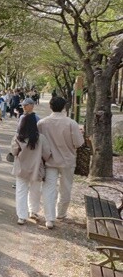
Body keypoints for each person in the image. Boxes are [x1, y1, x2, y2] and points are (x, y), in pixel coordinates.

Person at [37, 97, 84, 229]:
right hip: (67, 161)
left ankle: (49, 218)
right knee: (66, 188)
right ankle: (61, 213)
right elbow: (78, 143)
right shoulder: (71, 123)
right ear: (64, 107)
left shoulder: (42, 123)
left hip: (49, 160)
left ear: (50, 107)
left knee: (48, 188)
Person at [11, 113, 51, 224]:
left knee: (21, 192)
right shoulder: (41, 138)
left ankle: (21, 216)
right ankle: (33, 211)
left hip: (21, 169)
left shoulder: (18, 137)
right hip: (36, 168)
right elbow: (47, 154)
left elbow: (14, 151)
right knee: (35, 191)